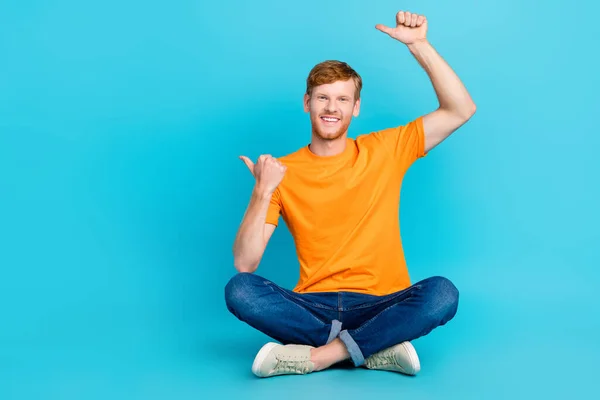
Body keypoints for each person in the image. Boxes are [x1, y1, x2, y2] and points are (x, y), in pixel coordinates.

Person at [225, 10, 476, 378]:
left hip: (382, 303)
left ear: (355, 108)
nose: (331, 108)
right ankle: (371, 347)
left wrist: (419, 46)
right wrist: (262, 191)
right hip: (313, 306)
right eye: (323, 98)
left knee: (443, 293)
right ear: (307, 102)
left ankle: (320, 356)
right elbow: (245, 265)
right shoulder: (282, 172)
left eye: (342, 99)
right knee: (239, 290)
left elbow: (461, 109)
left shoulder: (386, 149)